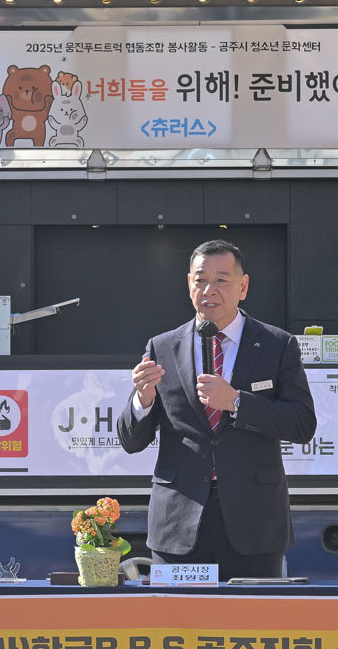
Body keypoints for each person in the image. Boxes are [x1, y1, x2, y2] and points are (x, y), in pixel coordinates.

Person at [118, 240, 317, 578]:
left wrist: (238, 402)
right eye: (201, 280)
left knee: (251, 613)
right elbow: (131, 441)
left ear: (243, 286)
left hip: (254, 523)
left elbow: (302, 424)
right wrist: (144, 399)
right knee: (178, 613)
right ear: (189, 285)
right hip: (177, 524)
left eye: (222, 280)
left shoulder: (277, 345)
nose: (209, 290)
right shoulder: (162, 347)